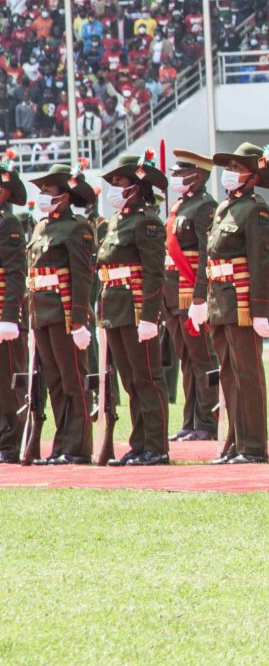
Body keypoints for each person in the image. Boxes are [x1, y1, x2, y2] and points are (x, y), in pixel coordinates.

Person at [200, 144, 269, 464]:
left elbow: (261, 263)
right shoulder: (223, 209)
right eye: (228, 166)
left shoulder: (256, 210)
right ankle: (234, 442)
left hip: (243, 302)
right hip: (220, 302)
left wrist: (260, 309)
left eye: (237, 167)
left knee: (247, 374)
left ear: (253, 176)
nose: (229, 173)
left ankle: (253, 447)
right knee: (229, 374)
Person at [95, 152, 170, 466]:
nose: (114, 188)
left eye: (120, 182)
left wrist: (150, 316)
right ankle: (139, 444)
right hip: (116, 309)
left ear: (136, 187)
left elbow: (154, 272)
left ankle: (156, 446)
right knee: (129, 381)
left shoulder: (147, 221)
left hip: (138, 310)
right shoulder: (117, 221)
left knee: (147, 379)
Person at [24, 163, 97, 464]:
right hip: (41, 313)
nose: (42, 195)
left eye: (48, 191)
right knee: (54, 380)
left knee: (72, 379)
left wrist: (80, 320)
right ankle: (61, 444)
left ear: (64, 196)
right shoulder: (41, 226)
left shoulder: (77, 227)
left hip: (65, 312)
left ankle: (77, 446)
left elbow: (82, 277)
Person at [162, 151, 218, 443]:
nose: (176, 178)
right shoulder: (179, 205)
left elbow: (206, 253)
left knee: (202, 358)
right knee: (186, 359)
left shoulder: (205, 207)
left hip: (190, 293)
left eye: (181, 173)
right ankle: (190, 420)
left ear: (198, 175)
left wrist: (200, 297)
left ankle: (208, 422)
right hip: (172, 296)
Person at [0, 154, 28, 462]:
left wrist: (9, 318)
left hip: (3, 316)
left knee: (8, 384)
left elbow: (15, 273)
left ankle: (10, 443)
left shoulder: (8, 223)